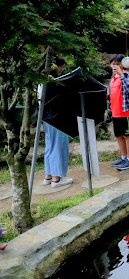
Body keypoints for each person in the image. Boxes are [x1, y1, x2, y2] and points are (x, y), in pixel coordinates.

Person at [43, 57, 73, 187]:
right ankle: (57, 178)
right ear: (57, 67)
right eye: (63, 66)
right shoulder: (56, 81)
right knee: (58, 146)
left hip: (46, 117)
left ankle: (48, 176)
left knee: (49, 145)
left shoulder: (45, 80)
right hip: (56, 117)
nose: (64, 69)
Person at [108, 54, 129, 170]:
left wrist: (121, 74)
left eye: (117, 64)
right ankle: (123, 157)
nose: (115, 66)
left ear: (122, 64)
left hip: (126, 111)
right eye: (113, 64)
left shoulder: (126, 75)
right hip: (115, 112)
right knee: (119, 135)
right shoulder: (112, 77)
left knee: (127, 135)